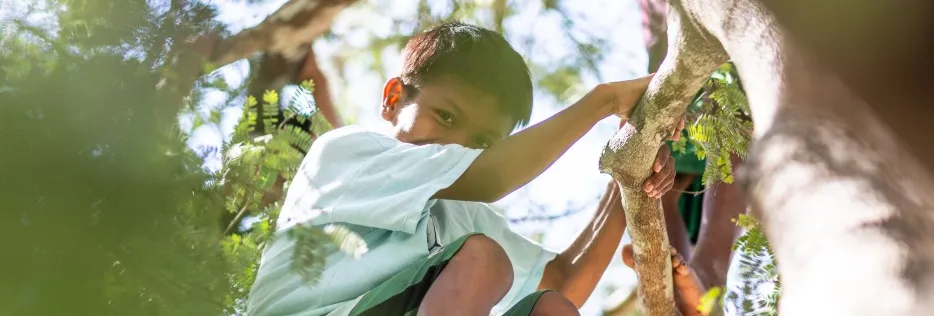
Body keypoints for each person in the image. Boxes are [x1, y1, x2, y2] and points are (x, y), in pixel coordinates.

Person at [245, 22, 684, 316]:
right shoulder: (348, 152)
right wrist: (604, 101)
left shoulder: (463, 214)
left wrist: (630, 168)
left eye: (478, 143)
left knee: (549, 308)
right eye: (447, 117)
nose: (457, 145)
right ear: (394, 98)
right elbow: (493, 177)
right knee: (483, 258)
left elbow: (566, 281)